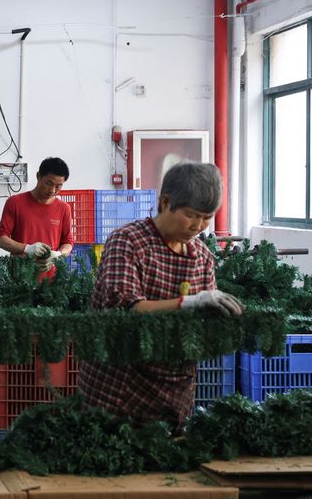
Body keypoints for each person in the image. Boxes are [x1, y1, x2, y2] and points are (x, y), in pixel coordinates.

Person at [79, 161, 244, 431]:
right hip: (119, 387)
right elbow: (125, 310)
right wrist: (188, 302)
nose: (198, 226)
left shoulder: (201, 256)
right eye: (191, 215)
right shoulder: (128, 242)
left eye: (207, 217)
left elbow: (202, 327)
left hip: (175, 391)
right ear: (166, 202)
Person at [0, 157, 74, 278]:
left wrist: (58, 255)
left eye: (58, 186)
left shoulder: (64, 208)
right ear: (38, 176)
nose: (53, 190)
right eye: (49, 183)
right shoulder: (15, 203)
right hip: (19, 278)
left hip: (51, 282)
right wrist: (26, 248)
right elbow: (1, 239)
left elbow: (68, 243)